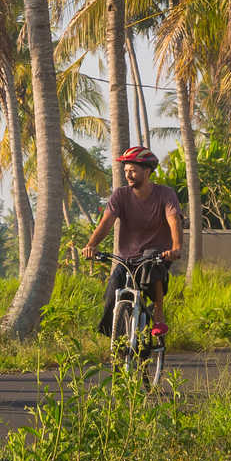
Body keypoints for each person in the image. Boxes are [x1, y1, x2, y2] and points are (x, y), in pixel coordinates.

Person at [78, 145, 184, 338]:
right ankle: (119, 344)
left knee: (151, 261)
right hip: (127, 258)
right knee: (112, 296)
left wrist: (176, 247)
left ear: (147, 171)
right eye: (126, 170)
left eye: (133, 170)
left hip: (157, 255)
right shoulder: (120, 195)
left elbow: (173, 220)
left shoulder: (165, 194)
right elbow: (106, 222)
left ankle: (158, 313)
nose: (128, 175)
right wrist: (91, 245)